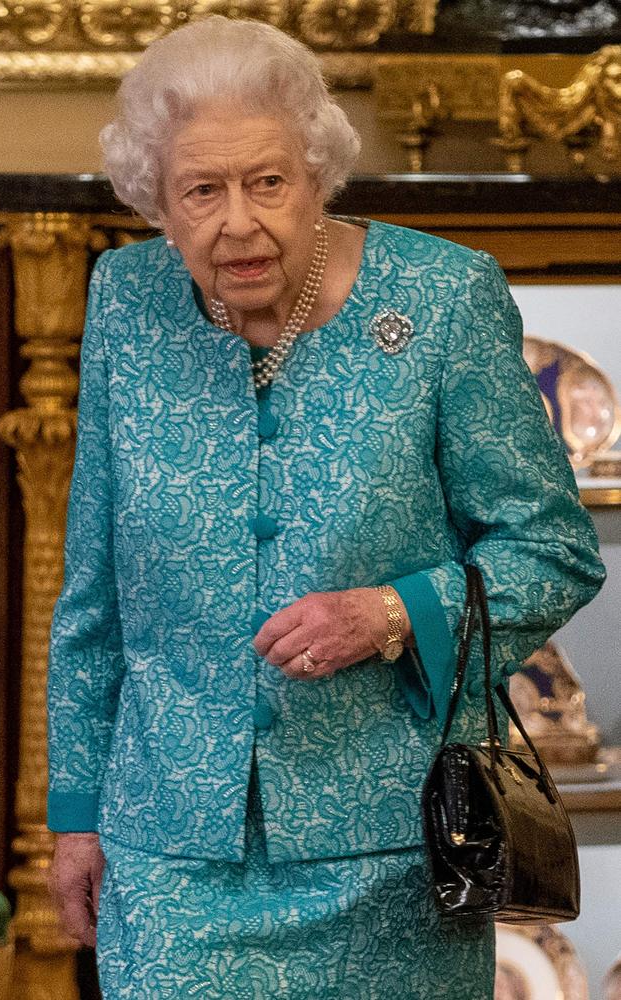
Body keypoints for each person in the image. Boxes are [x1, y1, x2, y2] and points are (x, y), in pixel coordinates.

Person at [47, 15, 606, 999]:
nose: (238, 223)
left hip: (393, 854)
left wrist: (389, 614)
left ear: (316, 175)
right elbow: (93, 589)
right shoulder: (123, 300)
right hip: (171, 855)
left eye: (266, 181)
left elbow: (551, 546)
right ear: (155, 204)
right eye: (201, 191)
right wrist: (76, 815)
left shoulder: (439, 299)